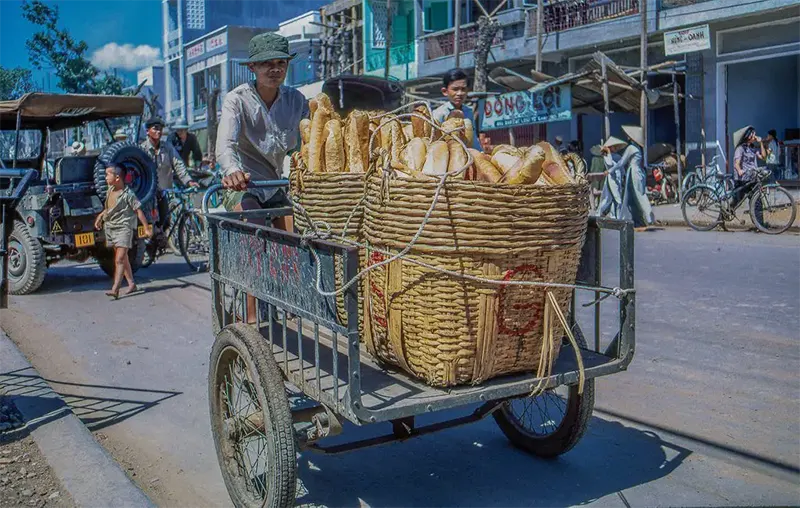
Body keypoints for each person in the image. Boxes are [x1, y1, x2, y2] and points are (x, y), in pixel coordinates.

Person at [217, 31, 309, 322]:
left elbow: (306, 147)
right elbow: (225, 145)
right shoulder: (237, 100)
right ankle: (251, 316)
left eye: (281, 63)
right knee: (254, 242)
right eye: (266, 63)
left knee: (294, 240)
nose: (275, 69)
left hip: (277, 182)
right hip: (245, 183)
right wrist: (232, 171)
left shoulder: (297, 101)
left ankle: (292, 305)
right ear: (252, 68)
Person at [94, 164, 152, 299]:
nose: (105, 177)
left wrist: (146, 227)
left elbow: (138, 211)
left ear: (117, 177)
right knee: (123, 257)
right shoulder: (110, 190)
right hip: (111, 227)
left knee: (119, 259)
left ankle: (116, 288)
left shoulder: (128, 195)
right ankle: (131, 283)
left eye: (108, 174)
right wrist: (100, 217)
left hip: (124, 228)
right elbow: (108, 208)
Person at [140, 117, 198, 229]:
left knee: (165, 222)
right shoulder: (142, 149)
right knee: (149, 224)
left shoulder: (167, 147)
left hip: (163, 192)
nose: (159, 131)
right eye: (155, 128)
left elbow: (178, 164)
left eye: (160, 129)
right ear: (147, 131)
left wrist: (189, 181)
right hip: (147, 195)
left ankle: (162, 241)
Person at [432, 68, 481, 150]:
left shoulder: (468, 111)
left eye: (463, 89)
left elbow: (473, 139)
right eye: (455, 89)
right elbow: (435, 141)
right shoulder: (439, 113)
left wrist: (481, 153)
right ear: (445, 91)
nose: (459, 93)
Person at [731, 125, 766, 212]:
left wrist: (761, 143)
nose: (755, 136)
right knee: (737, 201)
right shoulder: (740, 148)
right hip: (742, 179)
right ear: (748, 136)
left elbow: (763, 157)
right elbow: (736, 163)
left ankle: (760, 224)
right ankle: (722, 218)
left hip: (752, 178)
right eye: (753, 134)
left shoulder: (752, 148)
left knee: (757, 201)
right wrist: (739, 170)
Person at [597, 136, 626, 219]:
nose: (616, 147)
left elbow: (621, 167)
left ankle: (614, 216)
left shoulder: (618, 156)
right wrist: (608, 152)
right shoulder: (607, 156)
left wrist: (624, 176)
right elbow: (609, 164)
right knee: (616, 199)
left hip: (618, 178)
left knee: (611, 198)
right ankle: (617, 217)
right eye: (614, 146)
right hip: (612, 178)